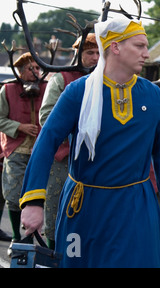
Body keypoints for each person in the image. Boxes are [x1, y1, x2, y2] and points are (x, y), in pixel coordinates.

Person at [20, 18, 160, 268]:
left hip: (137, 208)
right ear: (116, 47)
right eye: (139, 46)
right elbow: (46, 142)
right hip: (85, 208)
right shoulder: (78, 92)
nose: (146, 53)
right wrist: (33, 203)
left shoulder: (151, 94)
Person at [38, 33, 99, 249]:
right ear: (77, 54)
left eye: (99, 53)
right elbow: (46, 117)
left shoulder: (105, 81)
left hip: (94, 161)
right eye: (90, 52)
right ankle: (53, 255)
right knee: (56, 210)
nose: (95, 57)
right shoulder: (60, 78)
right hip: (63, 159)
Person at [0, 52, 46, 255]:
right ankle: (18, 239)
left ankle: (34, 236)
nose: (36, 72)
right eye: (31, 68)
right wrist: (19, 127)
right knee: (13, 194)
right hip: (16, 149)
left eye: (38, 68)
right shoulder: (8, 89)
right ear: (20, 71)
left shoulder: (46, 88)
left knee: (39, 195)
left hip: (41, 151)